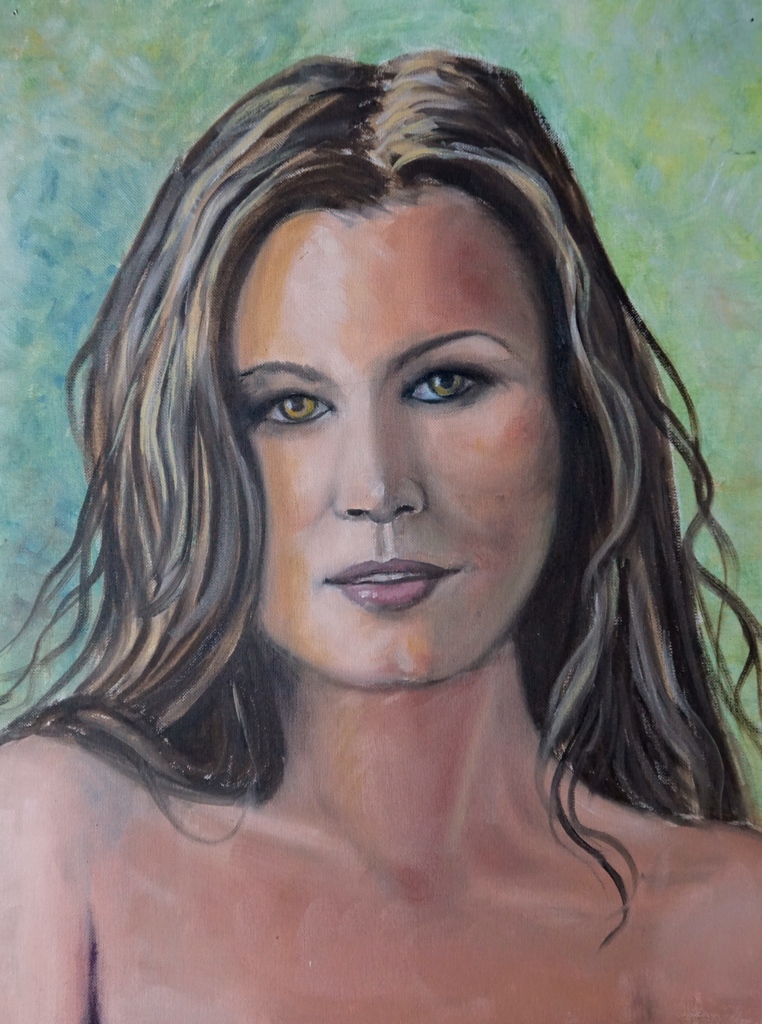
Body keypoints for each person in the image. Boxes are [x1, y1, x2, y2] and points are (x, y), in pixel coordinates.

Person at [1, 50, 761, 1023]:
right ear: (201, 454)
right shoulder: (61, 839)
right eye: (290, 405)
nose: (376, 489)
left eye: (446, 383)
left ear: (576, 416)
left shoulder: (723, 922)